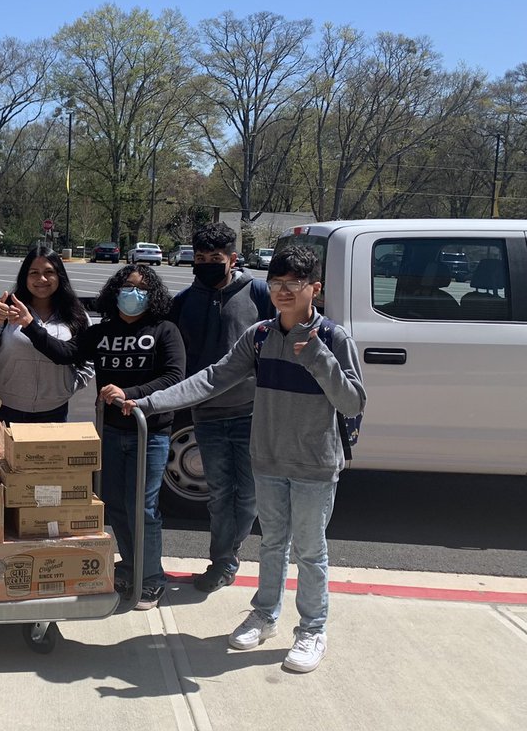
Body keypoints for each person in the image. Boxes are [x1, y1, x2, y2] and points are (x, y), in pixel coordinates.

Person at [123, 246, 366, 673]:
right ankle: (266, 614)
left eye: (293, 285)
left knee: (310, 550)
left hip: (314, 464)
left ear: (315, 288)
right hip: (269, 461)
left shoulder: (333, 338)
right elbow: (214, 378)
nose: (283, 293)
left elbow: (351, 401)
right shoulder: (259, 336)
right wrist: (150, 400)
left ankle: (311, 629)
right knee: (272, 544)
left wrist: (317, 359)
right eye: (276, 284)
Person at [20, 264, 185, 610]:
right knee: (117, 506)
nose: (132, 294)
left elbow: (174, 376)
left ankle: (152, 579)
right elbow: (65, 353)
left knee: (143, 508)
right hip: (110, 430)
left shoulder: (164, 330)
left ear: (151, 295)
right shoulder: (102, 331)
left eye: (140, 288)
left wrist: (132, 393)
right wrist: (30, 326)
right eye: (127, 286)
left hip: (149, 433)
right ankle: (131, 565)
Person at [169, 222, 274, 593]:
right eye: (200, 258)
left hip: (250, 410)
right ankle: (222, 562)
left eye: (216, 258)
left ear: (232, 258)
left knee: (247, 495)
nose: (207, 264)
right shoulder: (183, 302)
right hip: (206, 413)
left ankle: (231, 552)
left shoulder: (259, 293)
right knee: (218, 494)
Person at [0, 244, 93, 423]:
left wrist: (69, 385)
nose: (42, 279)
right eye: (34, 272)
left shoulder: (76, 314)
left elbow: (88, 357)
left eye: (49, 272)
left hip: (54, 411)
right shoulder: (5, 308)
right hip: (4, 408)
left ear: (59, 276)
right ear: (24, 277)